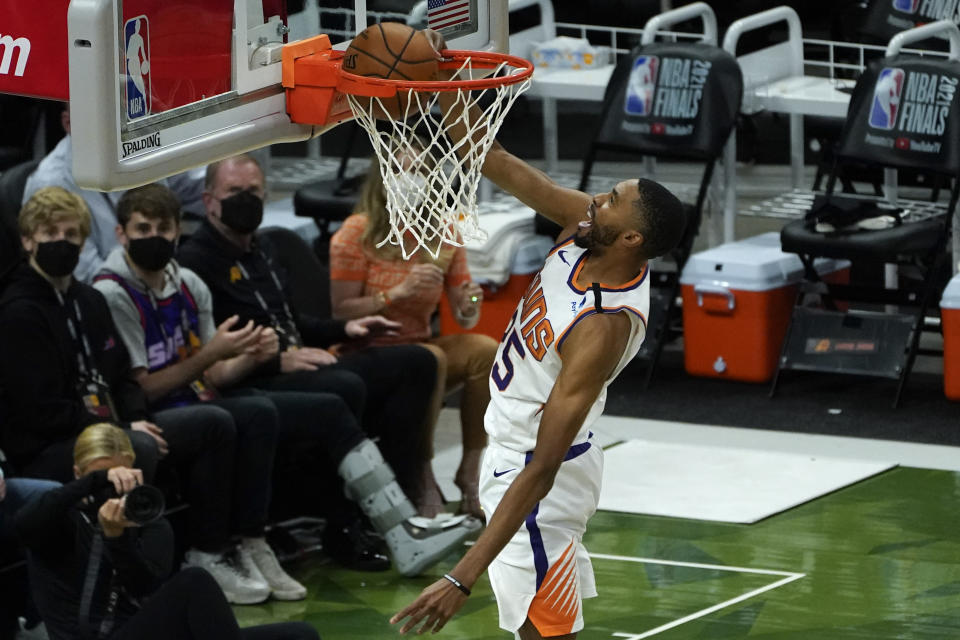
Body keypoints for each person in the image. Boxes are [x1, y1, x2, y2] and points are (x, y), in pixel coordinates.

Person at [391, 29, 687, 639]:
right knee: (548, 630)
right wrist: (441, 85)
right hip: (518, 458)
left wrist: (460, 576)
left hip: (537, 477)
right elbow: (499, 163)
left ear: (632, 239)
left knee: (542, 632)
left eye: (611, 200)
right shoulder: (588, 230)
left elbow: (545, 466)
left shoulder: (602, 326)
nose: (596, 201)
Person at [105, 182, 479, 577]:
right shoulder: (120, 291)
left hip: (216, 388)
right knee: (293, 403)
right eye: (143, 229)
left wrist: (252, 355)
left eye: (163, 229)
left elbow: (215, 373)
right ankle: (234, 546)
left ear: (178, 229)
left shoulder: (193, 280)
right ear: (121, 234)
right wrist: (253, 359)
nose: (155, 238)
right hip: (165, 410)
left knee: (412, 365)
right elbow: (153, 384)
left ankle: (401, 518)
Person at [177, 154, 448, 515]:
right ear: (209, 201)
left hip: (299, 357)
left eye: (253, 190)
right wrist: (277, 360)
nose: (245, 199)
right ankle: (347, 522)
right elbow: (213, 355)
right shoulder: (195, 263)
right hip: (252, 376)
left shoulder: (264, 249)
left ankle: (408, 496)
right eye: (234, 191)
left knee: (418, 362)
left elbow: (294, 321)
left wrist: (345, 328)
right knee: (345, 385)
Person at [14, 423, 321, 640]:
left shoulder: (148, 519)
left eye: (117, 478)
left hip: (141, 632)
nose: (109, 488)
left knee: (299, 634)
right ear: (78, 475)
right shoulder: (59, 521)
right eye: (102, 478)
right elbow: (23, 525)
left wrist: (117, 538)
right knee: (195, 579)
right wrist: (92, 484)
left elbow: (144, 587)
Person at [329, 154, 497, 520]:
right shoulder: (356, 232)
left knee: (486, 350)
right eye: (403, 171)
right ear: (383, 178)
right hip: (364, 352)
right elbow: (339, 312)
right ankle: (422, 472)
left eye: (421, 171)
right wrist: (395, 293)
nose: (412, 179)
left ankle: (471, 471)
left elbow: (465, 316)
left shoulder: (446, 231)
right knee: (429, 359)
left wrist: (470, 300)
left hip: (419, 345)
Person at [0, 187, 161, 482]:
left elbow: (122, 374)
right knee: (140, 447)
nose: (62, 242)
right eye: (50, 233)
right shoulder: (18, 311)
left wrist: (136, 416)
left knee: (212, 424)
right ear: (27, 240)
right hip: (47, 446)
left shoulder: (91, 299)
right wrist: (119, 428)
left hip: (105, 423)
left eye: (71, 234)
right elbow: (40, 411)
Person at [21, 104, 204, 283]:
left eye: (121, 118)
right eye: (102, 121)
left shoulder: (138, 143)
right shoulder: (51, 183)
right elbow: (85, 273)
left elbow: (191, 187)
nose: (116, 131)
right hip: (108, 294)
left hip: (160, 280)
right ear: (69, 124)